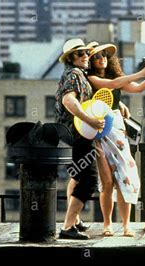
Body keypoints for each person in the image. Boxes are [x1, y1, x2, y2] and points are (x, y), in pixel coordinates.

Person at [87, 42, 145, 237]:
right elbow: (112, 86)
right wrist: (142, 72)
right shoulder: (91, 78)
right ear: (91, 61)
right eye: (97, 56)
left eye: (104, 55)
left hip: (118, 129)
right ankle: (107, 224)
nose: (102, 58)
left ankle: (127, 224)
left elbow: (137, 89)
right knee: (107, 180)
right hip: (100, 130)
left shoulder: (116, 77)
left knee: (124, 178)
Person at [54, 38, 104, 240]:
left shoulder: (76, 74)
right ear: (70, 58)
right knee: (89, 179)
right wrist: (90, 120)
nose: (85, 56)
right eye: (80, 53)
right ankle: (67, 226)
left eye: (86, 53)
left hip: (72, 136)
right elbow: (68, 100)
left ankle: (73, 221)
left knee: (76, 177)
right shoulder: (74, 75)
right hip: (76, 136)